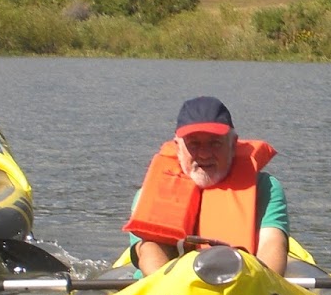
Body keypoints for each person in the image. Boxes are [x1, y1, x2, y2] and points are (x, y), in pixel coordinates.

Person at [123, 96, 289, 276]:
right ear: (178, 147)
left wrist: (258, 287)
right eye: (194, 144)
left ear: (233, 145)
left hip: (243, 287)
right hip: (170, 291)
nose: (204, 154)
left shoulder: (265, 187)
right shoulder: (147, 195)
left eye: (215, 143)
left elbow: (272, 242)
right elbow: (150, 248)